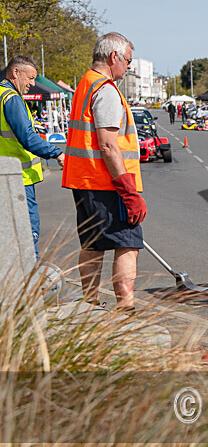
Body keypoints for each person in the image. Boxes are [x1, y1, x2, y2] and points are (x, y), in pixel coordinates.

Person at [62, 32, 145, 310]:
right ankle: (126, 308)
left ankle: (91, 304)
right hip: (107, 184)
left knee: (93, 245)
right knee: (127, 245)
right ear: (114, 57)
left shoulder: (85, 84)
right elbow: (109, 145)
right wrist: (128, 189)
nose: (129, 66)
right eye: (129, 61)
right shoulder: (106, 90)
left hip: (84, 181)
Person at [0, 55, 65, 259]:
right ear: (15, 73)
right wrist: (57, 153)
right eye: (30, 78)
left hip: (7, 175)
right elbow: (27, 137)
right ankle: (29, 283)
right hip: (18, 178)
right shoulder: (12, 99)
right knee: (27, 233)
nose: (33, 83)